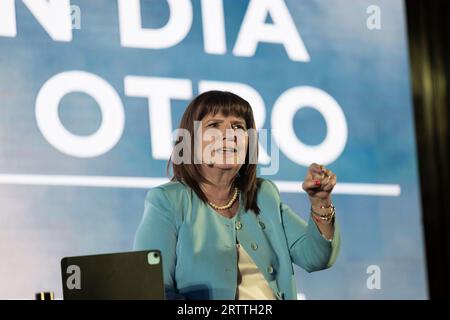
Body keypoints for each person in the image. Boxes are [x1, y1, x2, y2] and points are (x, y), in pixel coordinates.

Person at [134, 90, 340, 300]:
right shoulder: (167, 200)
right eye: (214, 125)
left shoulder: (265, 194)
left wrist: (320, 201)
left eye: (238, 127)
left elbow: (316, 257)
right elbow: (151, 291)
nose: (228, 134)